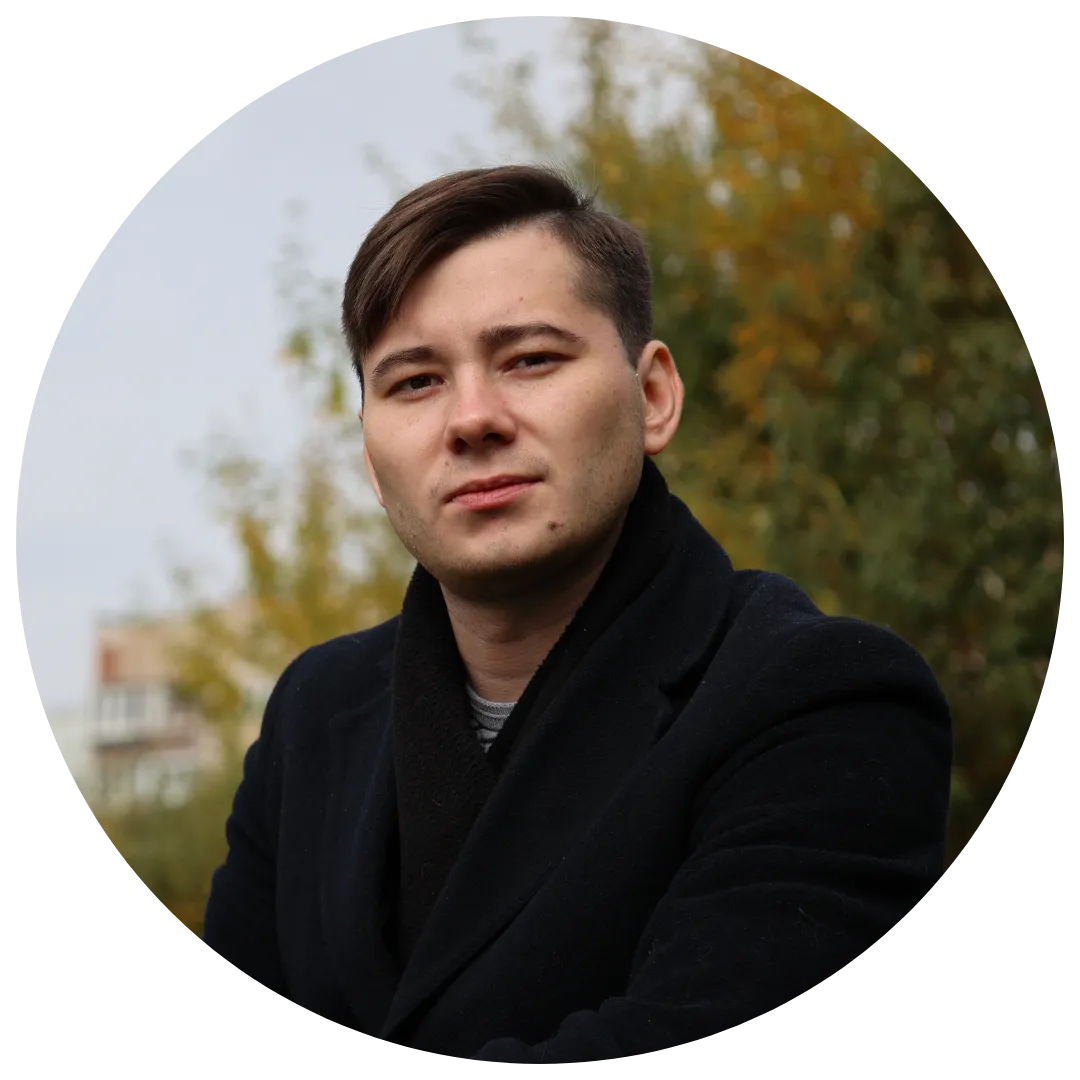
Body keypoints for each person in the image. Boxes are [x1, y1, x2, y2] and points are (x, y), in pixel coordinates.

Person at [202, 164, 953, 1063]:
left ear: (653, 397)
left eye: (530, 360)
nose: (472, 419)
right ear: (371, 459)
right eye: (415, 382)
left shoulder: (820, 702)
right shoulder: (316, 715)